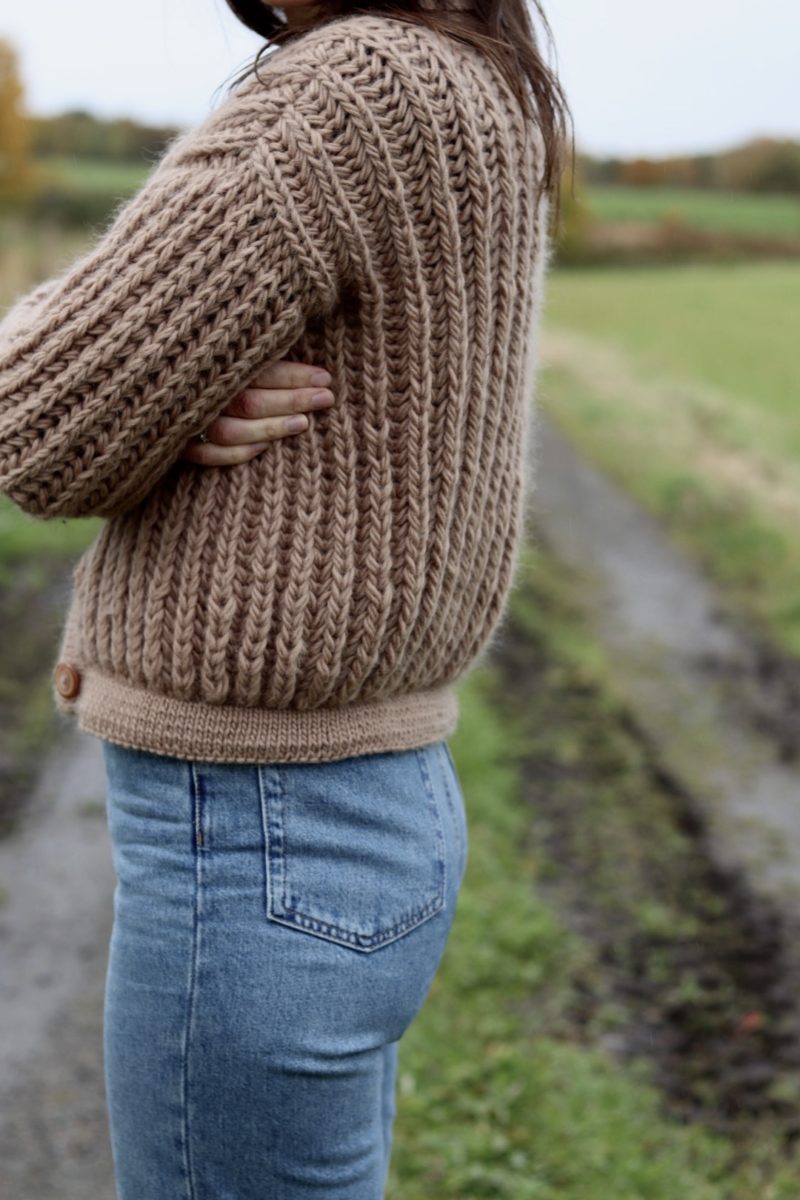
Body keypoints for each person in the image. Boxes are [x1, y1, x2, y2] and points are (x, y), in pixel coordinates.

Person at [0, 0, 571, 1194]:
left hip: (259, 833)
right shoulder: (478, 79)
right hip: (364, 809)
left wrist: (137, 372)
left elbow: (33, 425)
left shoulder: (345, 91)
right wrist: (174, 385)